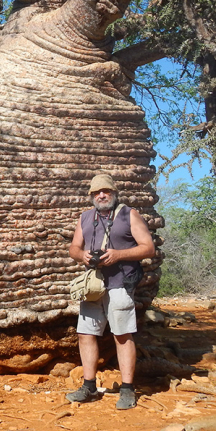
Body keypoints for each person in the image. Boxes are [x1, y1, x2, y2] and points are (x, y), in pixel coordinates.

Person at [66, 173, 156, 409]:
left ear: (114, 193)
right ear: (92, 197)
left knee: (122, 334)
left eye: (105, 191)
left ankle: (127, 389)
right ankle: (89, 386)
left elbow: (148, 248)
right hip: (94, 285)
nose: (101, 195)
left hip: (121, 283)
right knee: (85, 334)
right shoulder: (85, 218)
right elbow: (74, 247)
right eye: (96, 193)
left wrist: (119, 255)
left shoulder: (129, 215)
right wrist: (81, 255)